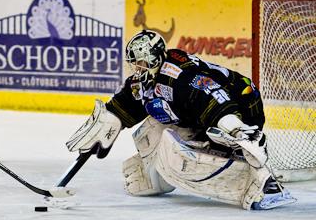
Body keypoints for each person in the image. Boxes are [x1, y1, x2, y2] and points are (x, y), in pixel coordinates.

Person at [66, 30, 297, 210]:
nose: (137, 69)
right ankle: (154, 178)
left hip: (242, 108)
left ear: (155, 59)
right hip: (202, 115)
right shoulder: (146, 81)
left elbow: (213, 96)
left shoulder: (181, 78)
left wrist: (234, 129)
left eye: (142, 63)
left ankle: (261, 184)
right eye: (135, 64)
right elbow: (125, 103)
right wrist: (107, 123)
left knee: (175, 152)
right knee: (149, 131)